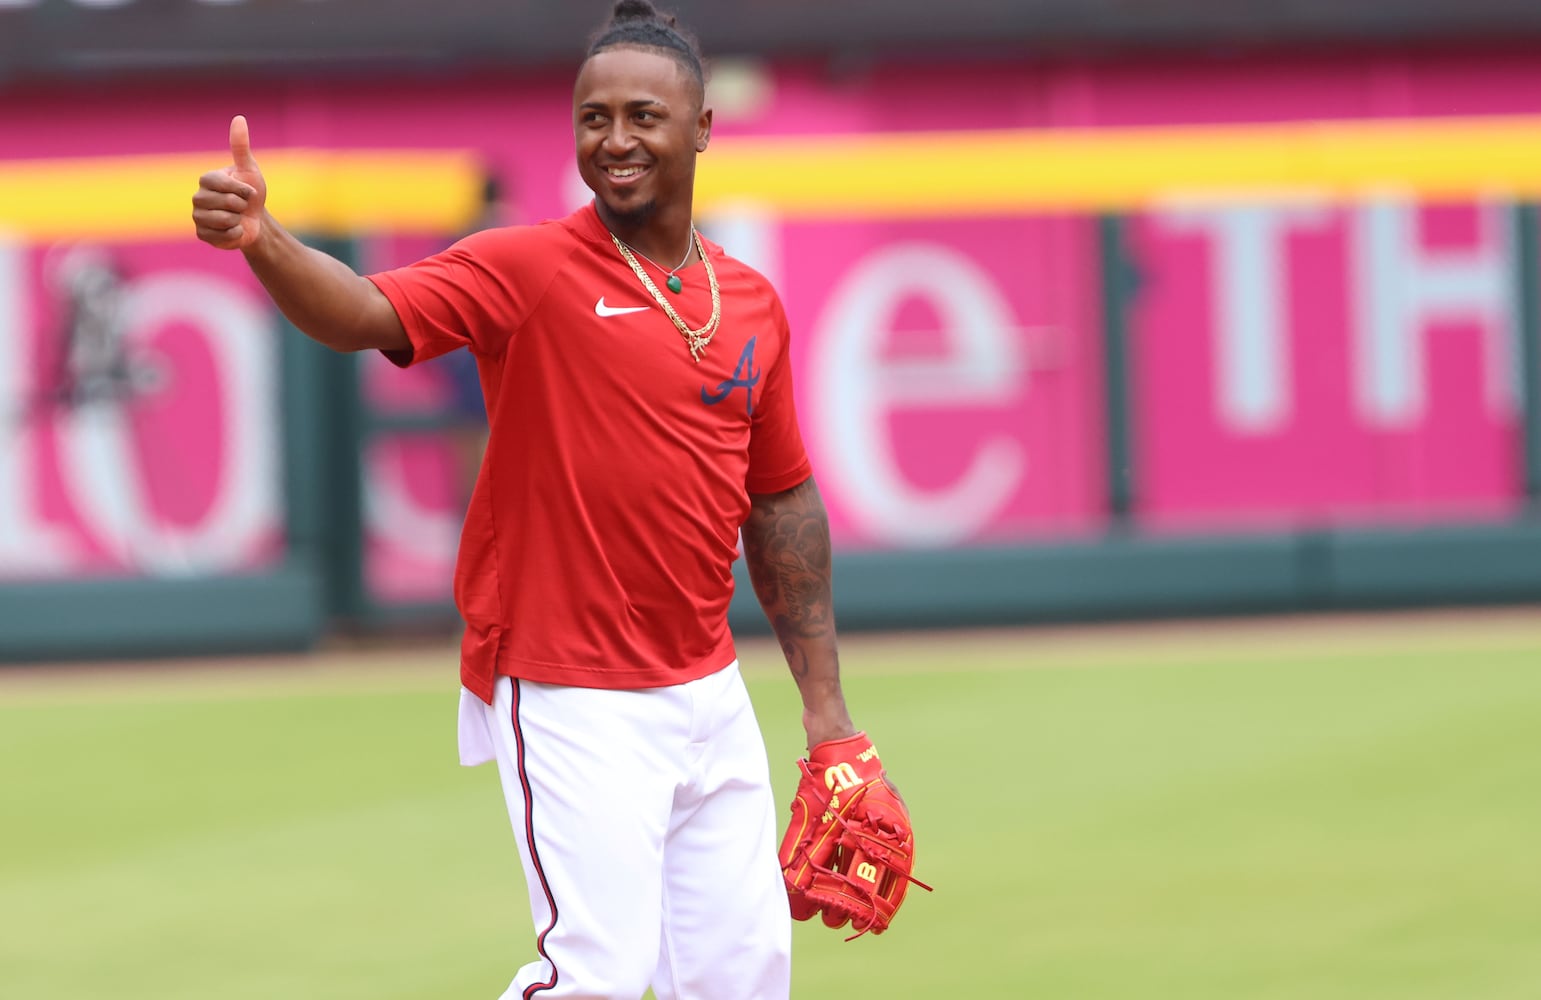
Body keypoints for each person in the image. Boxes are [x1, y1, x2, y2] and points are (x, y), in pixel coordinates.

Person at [192, 3, 899, 997]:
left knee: (744, 976)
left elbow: (781, 502)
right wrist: (264, 240)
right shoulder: (524, 267)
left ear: (701, 128)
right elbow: (362, 311)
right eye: (592, 117)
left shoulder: (748, 302)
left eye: (643, 115)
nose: (614, 139)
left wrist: (830, 723)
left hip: (707, 690)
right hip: (570, 687)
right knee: (592, 975)